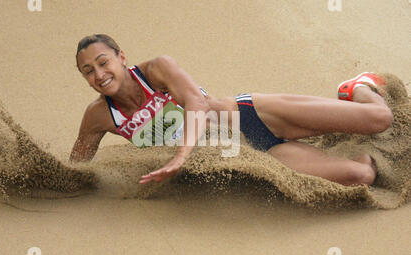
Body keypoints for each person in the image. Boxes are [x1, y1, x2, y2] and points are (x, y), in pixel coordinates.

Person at [70, 34, 393, 186]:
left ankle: (355, 88)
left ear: (121, 57)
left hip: (255, 115)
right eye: (88, 71)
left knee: (379, 119)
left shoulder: (156, 70)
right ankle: (344, 147)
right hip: (249, 153)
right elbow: (76, 169)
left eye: (103, 62)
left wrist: (181, 155)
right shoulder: (99, 116)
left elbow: (196, 102)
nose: (99, 75)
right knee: (360, 175)